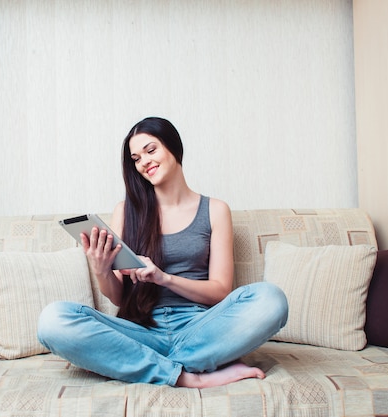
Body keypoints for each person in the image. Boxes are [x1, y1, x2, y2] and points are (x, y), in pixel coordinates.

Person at [37, 117, 288, 388]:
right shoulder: (126, 211)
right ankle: (185, 376)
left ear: (174, 148)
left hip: (200, 329)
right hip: (140, 331)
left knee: (271, 299)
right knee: (53, 321)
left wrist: (164, 278)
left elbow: (220, 291)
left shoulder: (215, 210)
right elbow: (120, 298)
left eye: (150, 150)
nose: (143, 162)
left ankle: (145, 364)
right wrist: (101, 269)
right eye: (135, 158)